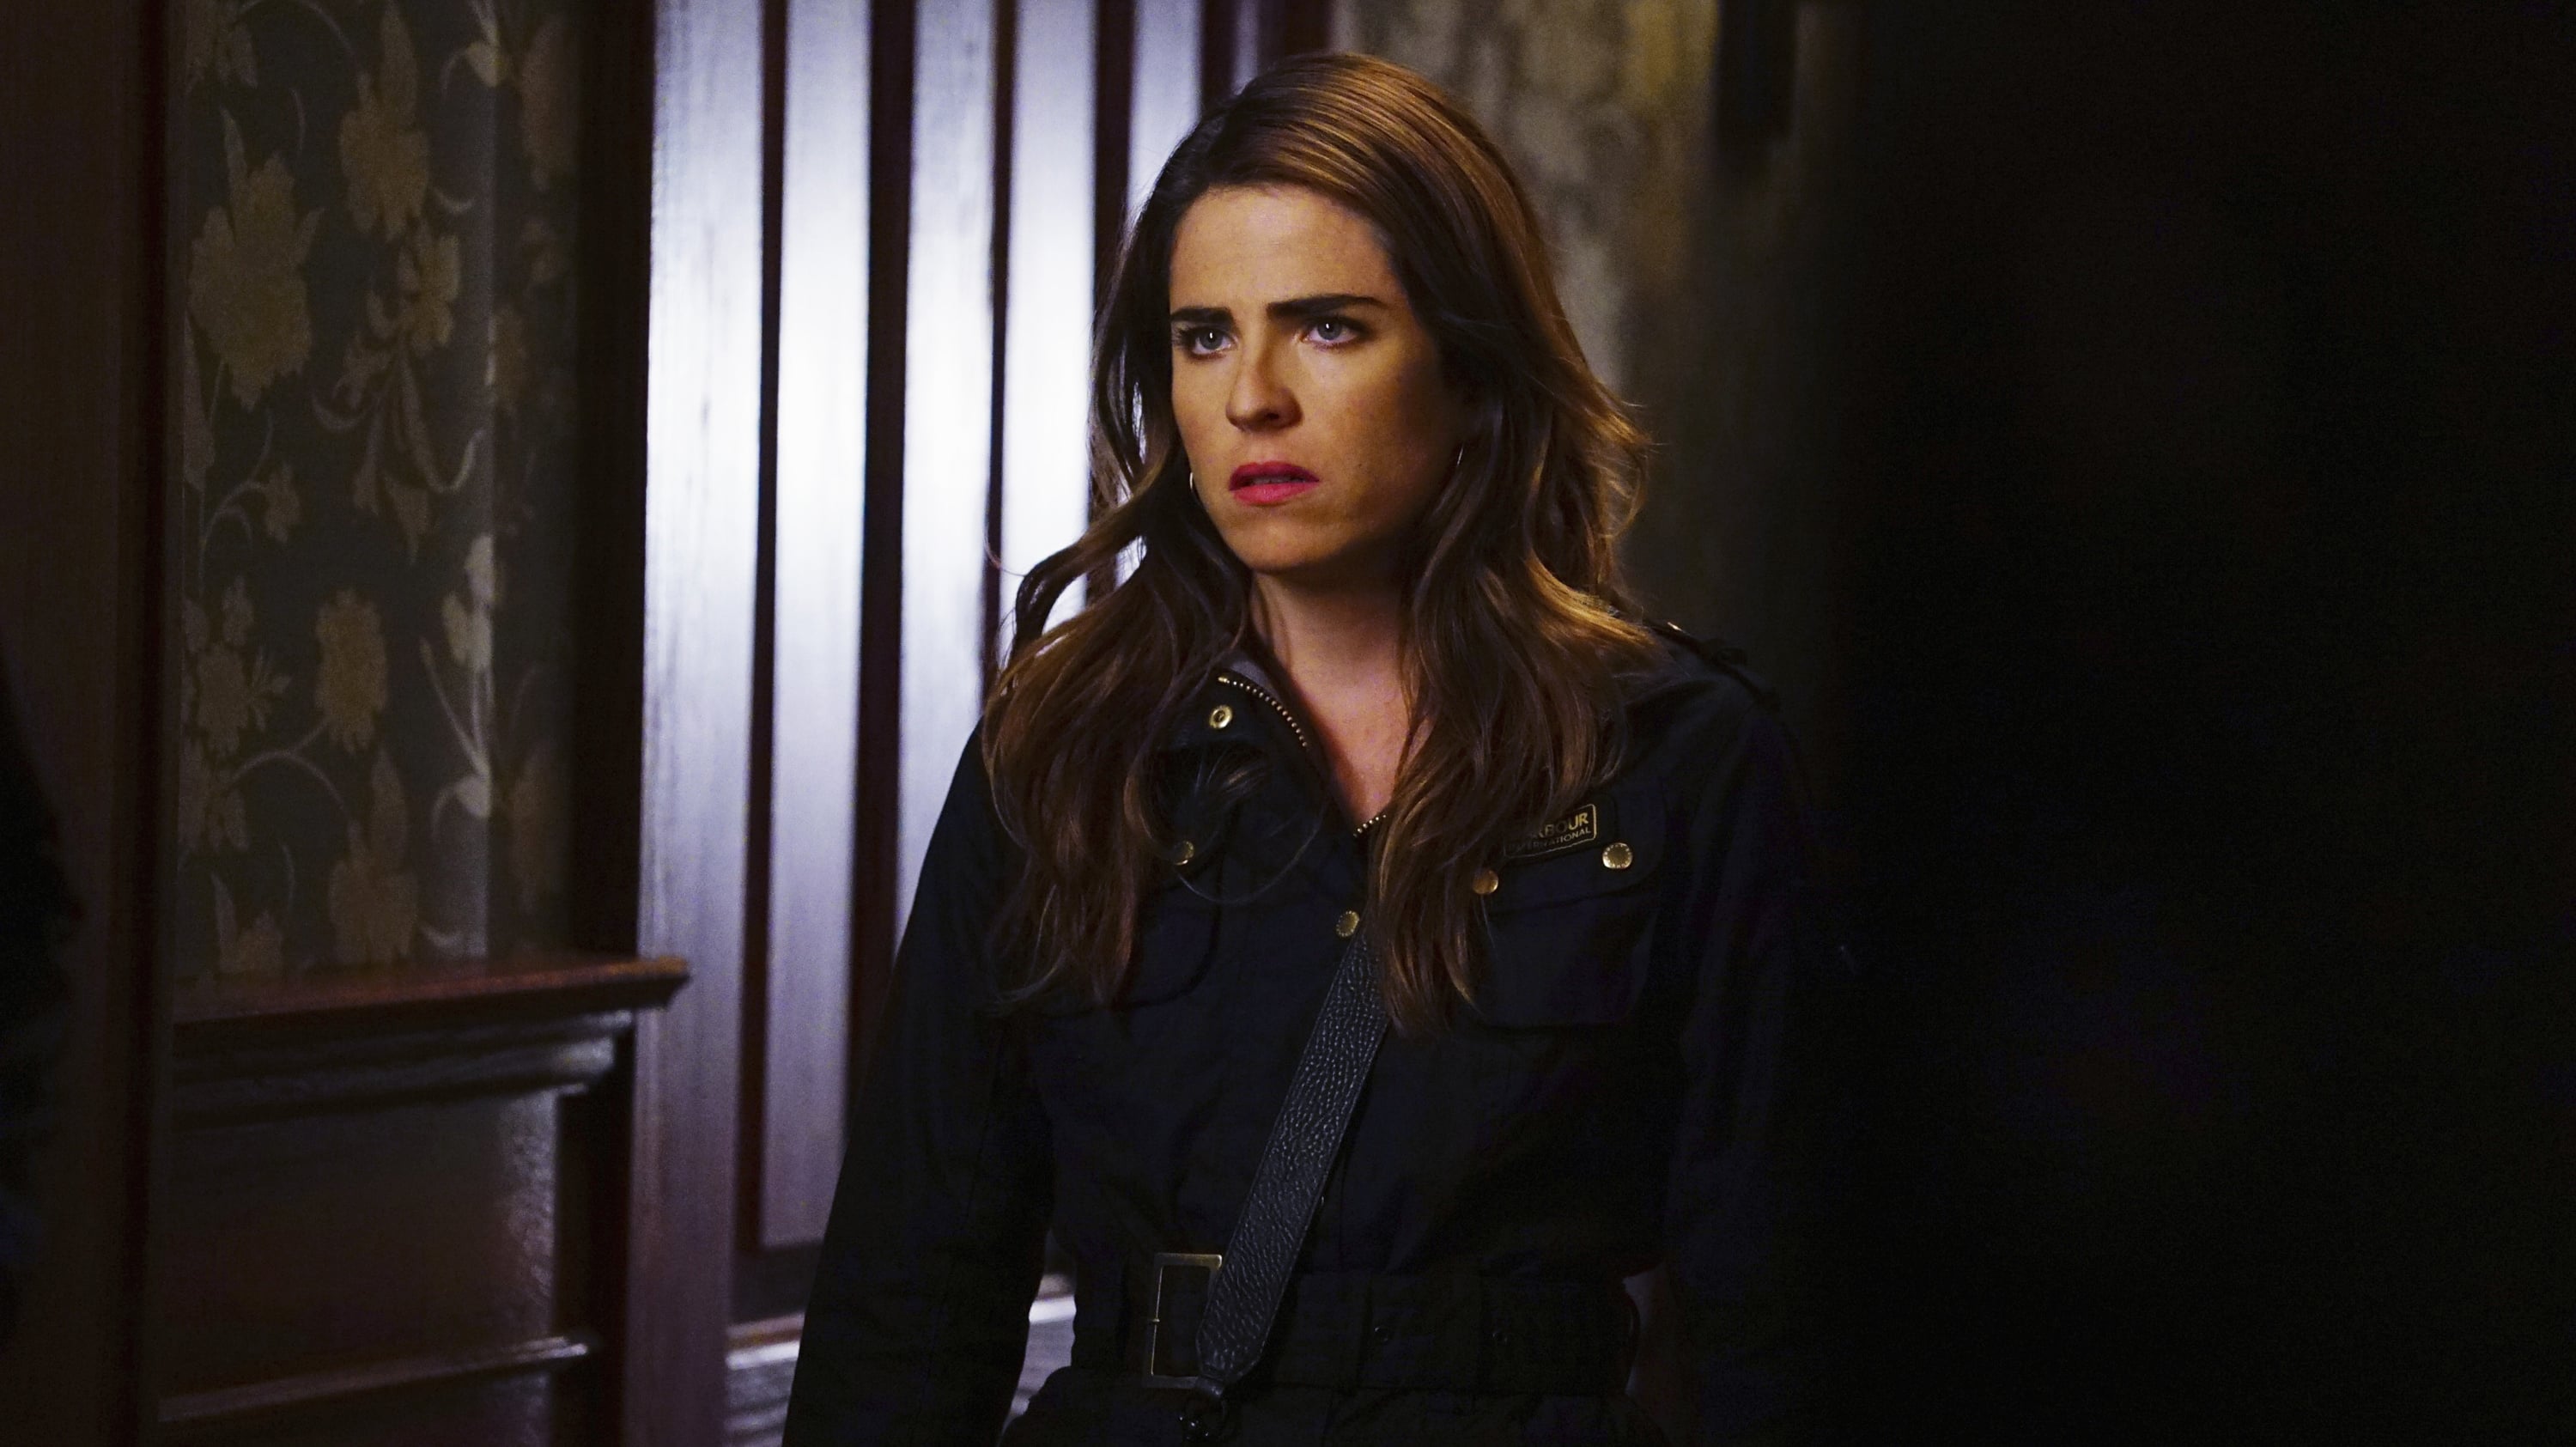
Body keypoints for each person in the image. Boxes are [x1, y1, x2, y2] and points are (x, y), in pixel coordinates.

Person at [787, 52, 1840, 1446]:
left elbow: (1781, 1319)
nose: (1253, 397)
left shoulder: (1672, 757)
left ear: (1471, 371)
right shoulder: (1060, 756)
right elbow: (907, 1299)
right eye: (1204, 336)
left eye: (1329, 327)